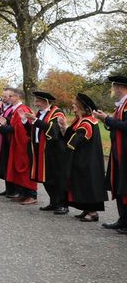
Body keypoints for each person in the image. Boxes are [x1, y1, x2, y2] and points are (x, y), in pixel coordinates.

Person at [59, 93, 106, 222]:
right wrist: (64, 128)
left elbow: (77, 139)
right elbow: (71, 134)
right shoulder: (80, 119)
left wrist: (66, 149)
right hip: (83, 157)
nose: (73, 105)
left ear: (81, 106)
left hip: (87, 160)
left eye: (75, 104)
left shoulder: (87, 122)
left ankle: (92, 212)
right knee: (81, 184)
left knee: (88, 184)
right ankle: (86, 209)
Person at [94, 75, 127, 234]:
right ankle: (123, 220)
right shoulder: (121, 105)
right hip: (118, 151)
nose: (113, 90)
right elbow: (115, 127)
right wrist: (104, 120)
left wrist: (107, 119)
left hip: (125, 152)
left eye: (114, 87)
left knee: (124, 186)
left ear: (120, 87)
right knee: (119, 186)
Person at [25, 91, 67, 214]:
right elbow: (35, 129)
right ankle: (53, 202)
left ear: (45, 102)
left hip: (54, 150)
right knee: (46, 177)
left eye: (38, 101)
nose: (35, 103)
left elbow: (54, 131)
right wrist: (26, 121)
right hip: (41, 148)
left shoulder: (57, 113)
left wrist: (36, 120)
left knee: (56, 177)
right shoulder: (40, 113)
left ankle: (63, 204)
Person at [0, 87, 35, 204]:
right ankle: (23, 193)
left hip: (22, 144)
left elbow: (21, 130)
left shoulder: (22, 109)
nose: (7, 98)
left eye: (10, 96)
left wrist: (2, 128)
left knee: (24, 168)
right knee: (18, 169)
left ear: (17, 97)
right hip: (16, 143)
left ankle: (32, 195)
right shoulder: (15, 109)